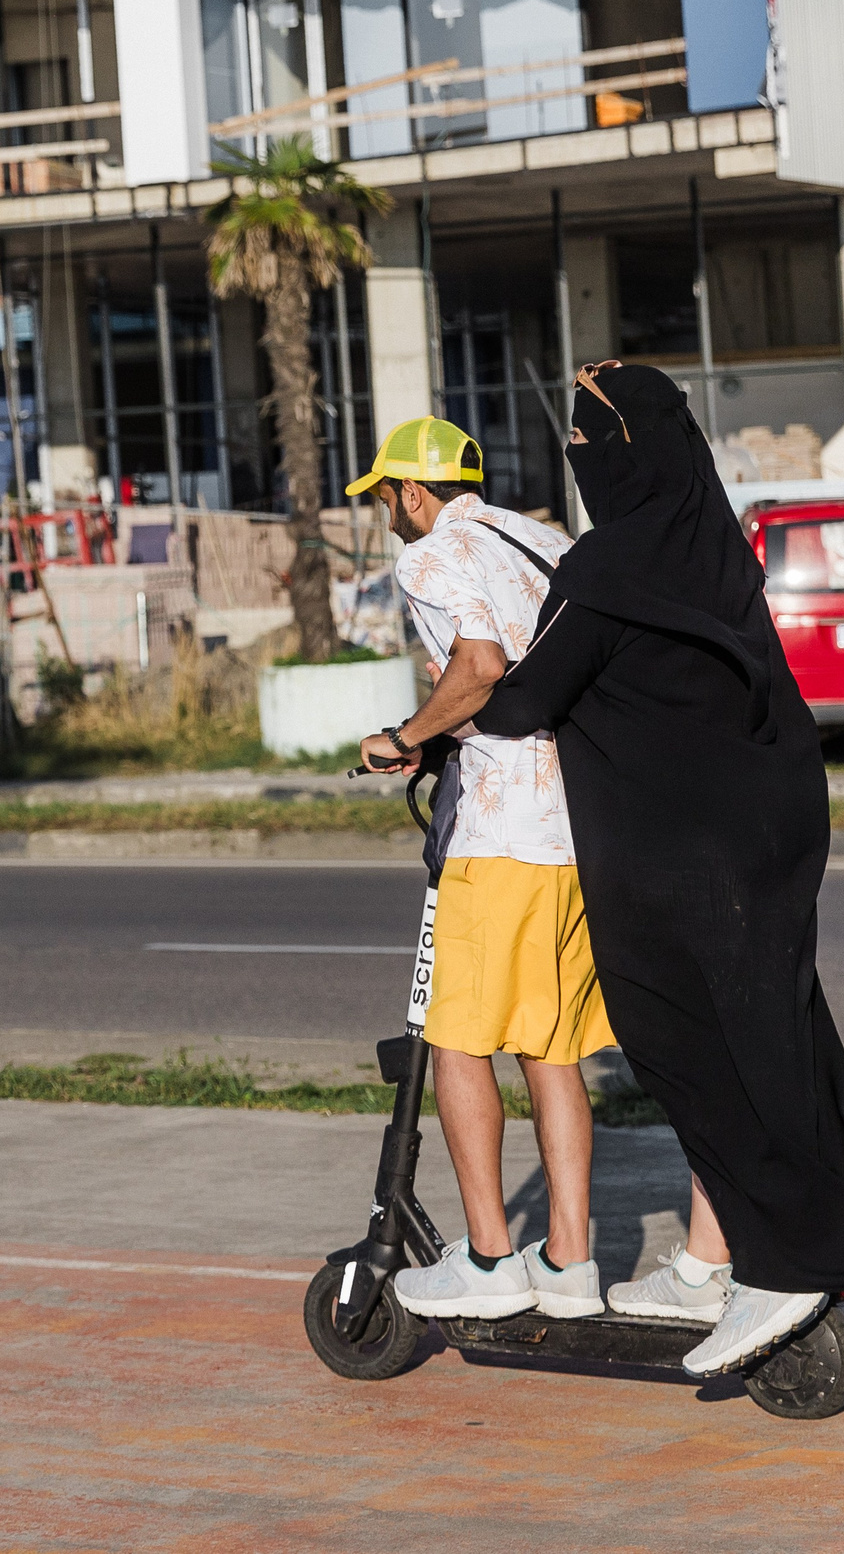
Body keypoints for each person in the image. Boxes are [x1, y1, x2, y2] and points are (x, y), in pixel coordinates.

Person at [469, 363, 844, 1377]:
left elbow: (522, 699)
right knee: (776, 1041)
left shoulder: (604, 567)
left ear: (619, 459)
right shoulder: (717, 551)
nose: (581, 459)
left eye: (587, 442)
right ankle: (789, 1243)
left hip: (674, 861)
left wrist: (438, 708)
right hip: (767, 834)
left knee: (692, 1053)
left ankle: (779, 1263)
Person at [344, 417, 616, 1324]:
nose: (387, 513)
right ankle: (570, 1260)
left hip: (498, 831)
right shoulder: (542, 536)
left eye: (386, 496)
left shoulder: (430, 558)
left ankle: (493, 1256)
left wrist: (407, 735)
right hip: (575, 825)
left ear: (412, 492)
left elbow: (480, 666)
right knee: (551, 1044)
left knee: (458, 1036)